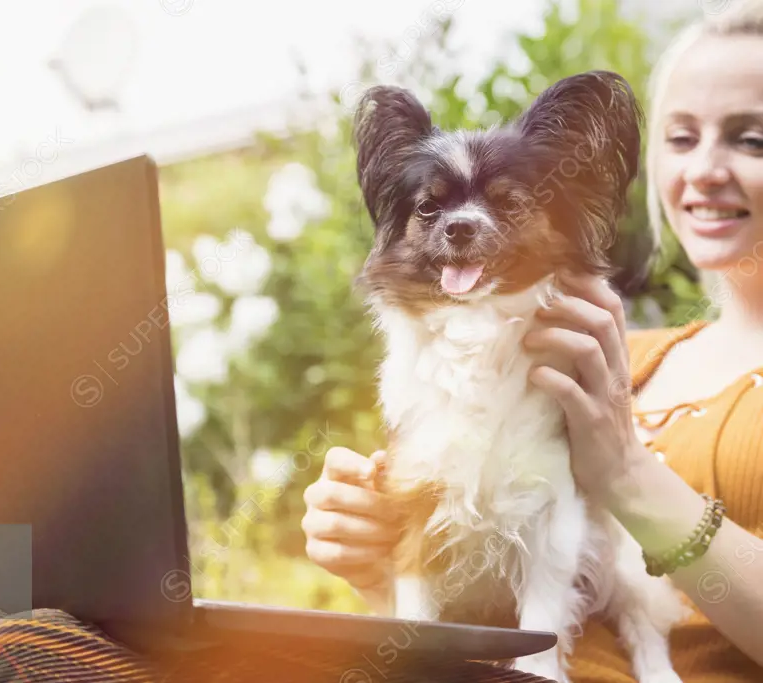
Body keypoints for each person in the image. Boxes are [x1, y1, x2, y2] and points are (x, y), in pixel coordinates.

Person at [302, 2, 763, 681]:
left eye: (751, 138)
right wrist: (374, 558)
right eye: (681, 137)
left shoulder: (581, 362)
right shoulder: (599, 353)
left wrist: (625, 472)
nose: (704, 170)